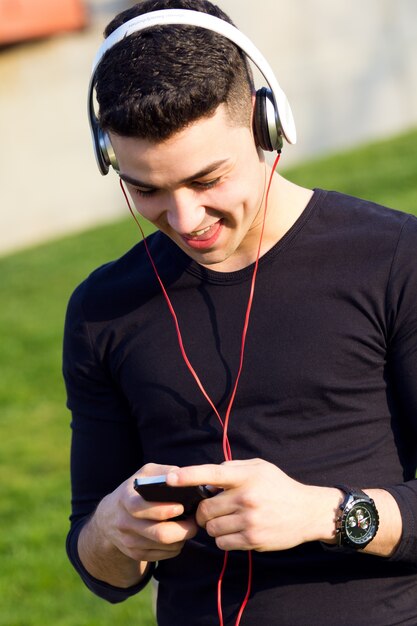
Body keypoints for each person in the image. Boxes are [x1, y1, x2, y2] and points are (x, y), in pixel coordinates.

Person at [63, 0, 417, 624]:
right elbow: (99, 569)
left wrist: (327, 514)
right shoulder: (100, 310)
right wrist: (115, 532)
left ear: (264, 124)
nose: (184, 219)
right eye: (145, 189)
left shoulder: (394, 258)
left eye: (208, 180)